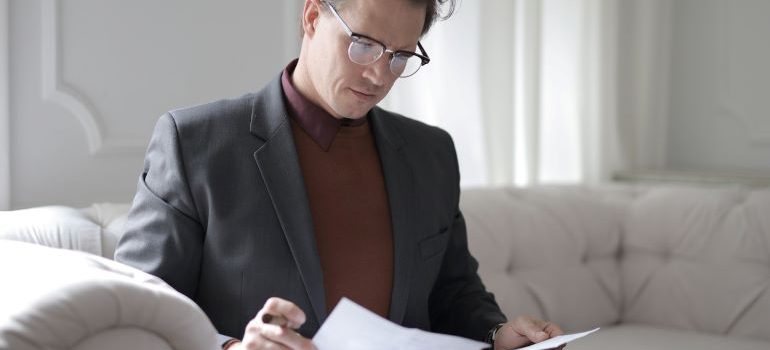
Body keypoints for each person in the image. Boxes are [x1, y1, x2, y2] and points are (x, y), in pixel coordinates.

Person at [115, 0, 565, 349]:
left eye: (400, 56)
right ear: (312, 17)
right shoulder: (195, 144)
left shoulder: (432, 154)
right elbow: (137, 314)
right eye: (363, 44)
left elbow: (454, 291)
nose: (378, 75)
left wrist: (497, 332)